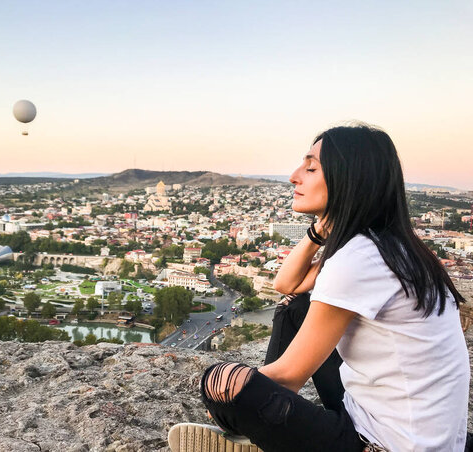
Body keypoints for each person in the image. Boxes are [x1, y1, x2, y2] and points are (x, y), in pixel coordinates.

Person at [168, 123, 469, 452]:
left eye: (311, 167)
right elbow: (287, 285)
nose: (294, 176)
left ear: (348, 181)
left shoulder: (359, 260)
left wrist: (242, 401)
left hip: (392, 445)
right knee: (295, 308)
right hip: (415, 432)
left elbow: (287, 376)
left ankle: (267, 434)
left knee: (221, 384)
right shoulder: (390, 246)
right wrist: (317, 232)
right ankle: (277, 427)